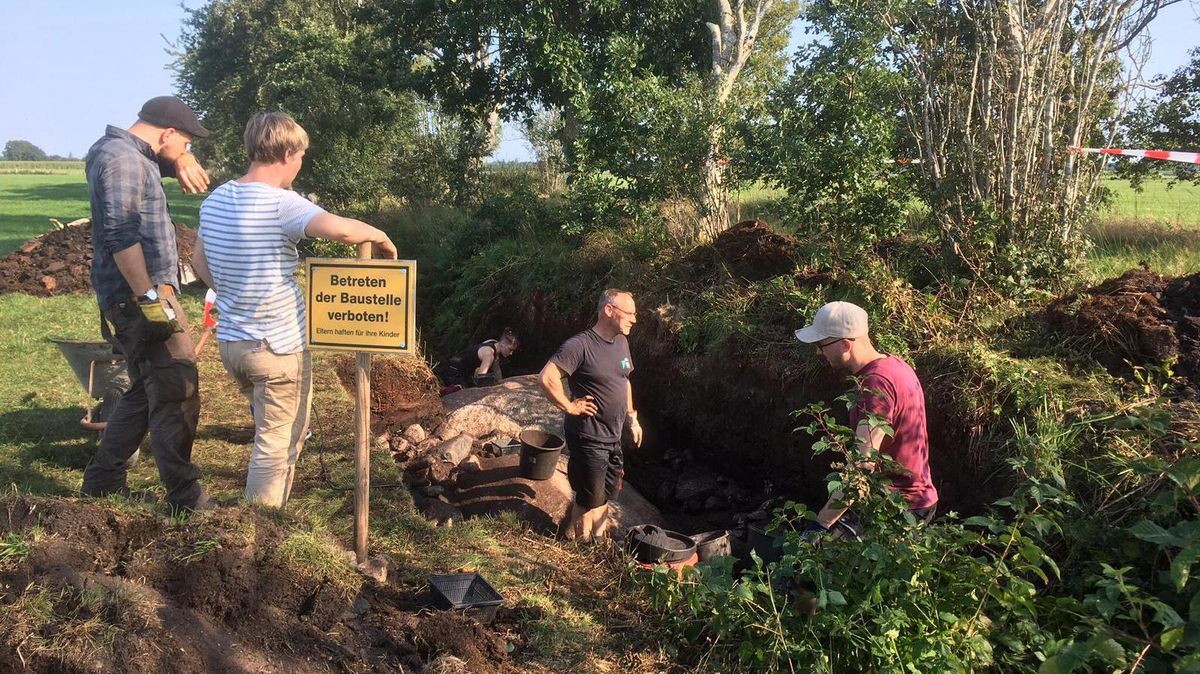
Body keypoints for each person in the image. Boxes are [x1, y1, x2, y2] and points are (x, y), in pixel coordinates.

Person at [191, 111, 397, 509]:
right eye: (301, 155)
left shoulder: (216, 199)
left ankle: (260, 518)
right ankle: (258, 528)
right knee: (276, 444)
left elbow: (200, 262)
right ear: (287, 153)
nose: (301, 163)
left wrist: (233, 293)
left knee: (273, 430)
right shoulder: (280, 203)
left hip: (233, 345)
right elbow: (341, 230)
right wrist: (379, 234)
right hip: (276, 348)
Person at [81, 96, 214, 511]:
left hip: (142, 294)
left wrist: (180, 160)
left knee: (146, 387)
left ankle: (103, 482)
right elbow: (121, 235)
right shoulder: (122, 160)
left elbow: (153, 171)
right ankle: (185, 496)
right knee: (177, 385)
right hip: (140, 296)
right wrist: (150, 299)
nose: (187, 151)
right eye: (186, 143)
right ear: (167, 133)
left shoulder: (129, 155)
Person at [793, 301, 938, 537]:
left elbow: (863, 464)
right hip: (911, 499)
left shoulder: (875, 385)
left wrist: (820, 525)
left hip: (901, 507)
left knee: (818, 552)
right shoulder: (895, 365)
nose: (819, 352)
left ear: (845, 344)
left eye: (821, 345)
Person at [539, 289, 642, 542]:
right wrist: (569, 406)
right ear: (609, 310)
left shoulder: (621, 342)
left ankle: (598, 542)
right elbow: (547, 377)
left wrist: (632, 418)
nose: (634, 319)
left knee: (604, 496)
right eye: (629, 313)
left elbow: (625, 381)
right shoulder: (580, 345)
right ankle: (582, 546)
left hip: (613, 436)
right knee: (588, 499)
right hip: (588, 436)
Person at [434, 329, 520, 395]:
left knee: (469, 385)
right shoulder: (489, 354)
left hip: (455, 368)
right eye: (510, 349)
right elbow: (481, 378)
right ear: (502, 343)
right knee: (464, 392)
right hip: (453, 372)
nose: (511, 353)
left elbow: (496, 368)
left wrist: (501, 384)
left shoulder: (492, 343)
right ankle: (439, 392)